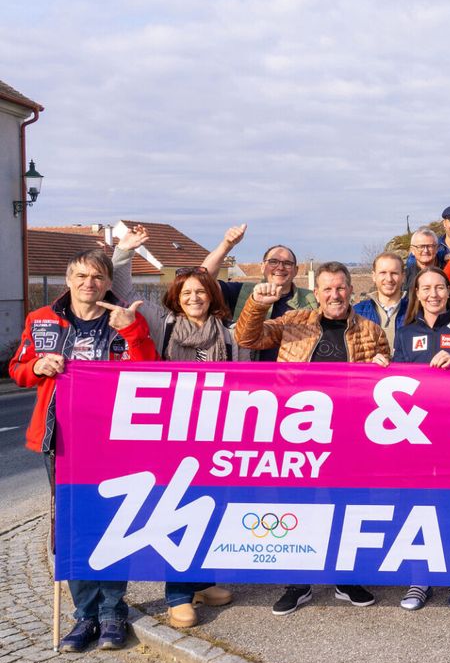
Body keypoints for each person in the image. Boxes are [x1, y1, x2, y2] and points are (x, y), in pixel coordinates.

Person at [10, 250, 158, 652]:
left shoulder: (124, 320)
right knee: (73, 526)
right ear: (68, 278)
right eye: (80, 275)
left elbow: (151, 374)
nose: (88, 283)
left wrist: (132, 332)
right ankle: (84, 616)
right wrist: (38, 367)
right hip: (60, 439)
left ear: (108, 282)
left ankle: (113, 612)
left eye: (96, 276)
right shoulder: (42, 319)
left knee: (113, 524)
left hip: (113, 440)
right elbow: (19, 368)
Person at [234, 261, 390, 616]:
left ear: (351, 290)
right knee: (297, 504)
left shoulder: (371, 330)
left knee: (347, 505)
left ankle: (345, 577)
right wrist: (256, 304)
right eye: (327, 289)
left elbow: (385, 379)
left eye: (340, 288)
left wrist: (384, 365)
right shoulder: (294, 322)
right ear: (316, 293)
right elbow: (246, 338)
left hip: (350, 432)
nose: (335, 295)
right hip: (297, 431)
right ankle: (298, 582)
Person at [113, 232, 239, 628]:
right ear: (176, 297)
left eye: (201, 292)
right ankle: (178, 595)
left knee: (210, 508)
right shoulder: (161, 322)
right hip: (172, 433)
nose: (194, 298)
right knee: (176, 509)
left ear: (212, 295)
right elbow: (123, 289)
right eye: (187, 293)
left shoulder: (229, 333)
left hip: (217, 433)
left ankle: (201, 580)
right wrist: (124, 252)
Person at [391, 267, 450, 612]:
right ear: (416, 294)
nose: (433, 294)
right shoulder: (404, 333)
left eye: (439, 288)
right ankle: (419, 579)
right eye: (425, 288)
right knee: (417, 507)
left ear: (448, 292)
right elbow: (395, 383)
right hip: (416, 438)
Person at [200, 224, 315, 361]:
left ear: (295, 270)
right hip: (248, 376)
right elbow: (203, 280)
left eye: (287, 263)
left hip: (293, 378)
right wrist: (226, 245)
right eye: (273, 262)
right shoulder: (243, 292)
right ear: (262, 267)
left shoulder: (312, 299)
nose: (280, 267)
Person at [353, 252, 408, 350]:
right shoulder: (357, 313)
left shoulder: (415, 312)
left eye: (394, 273)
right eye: (383, 273)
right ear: (374, 276)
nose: (389, 279)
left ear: (403, 277)